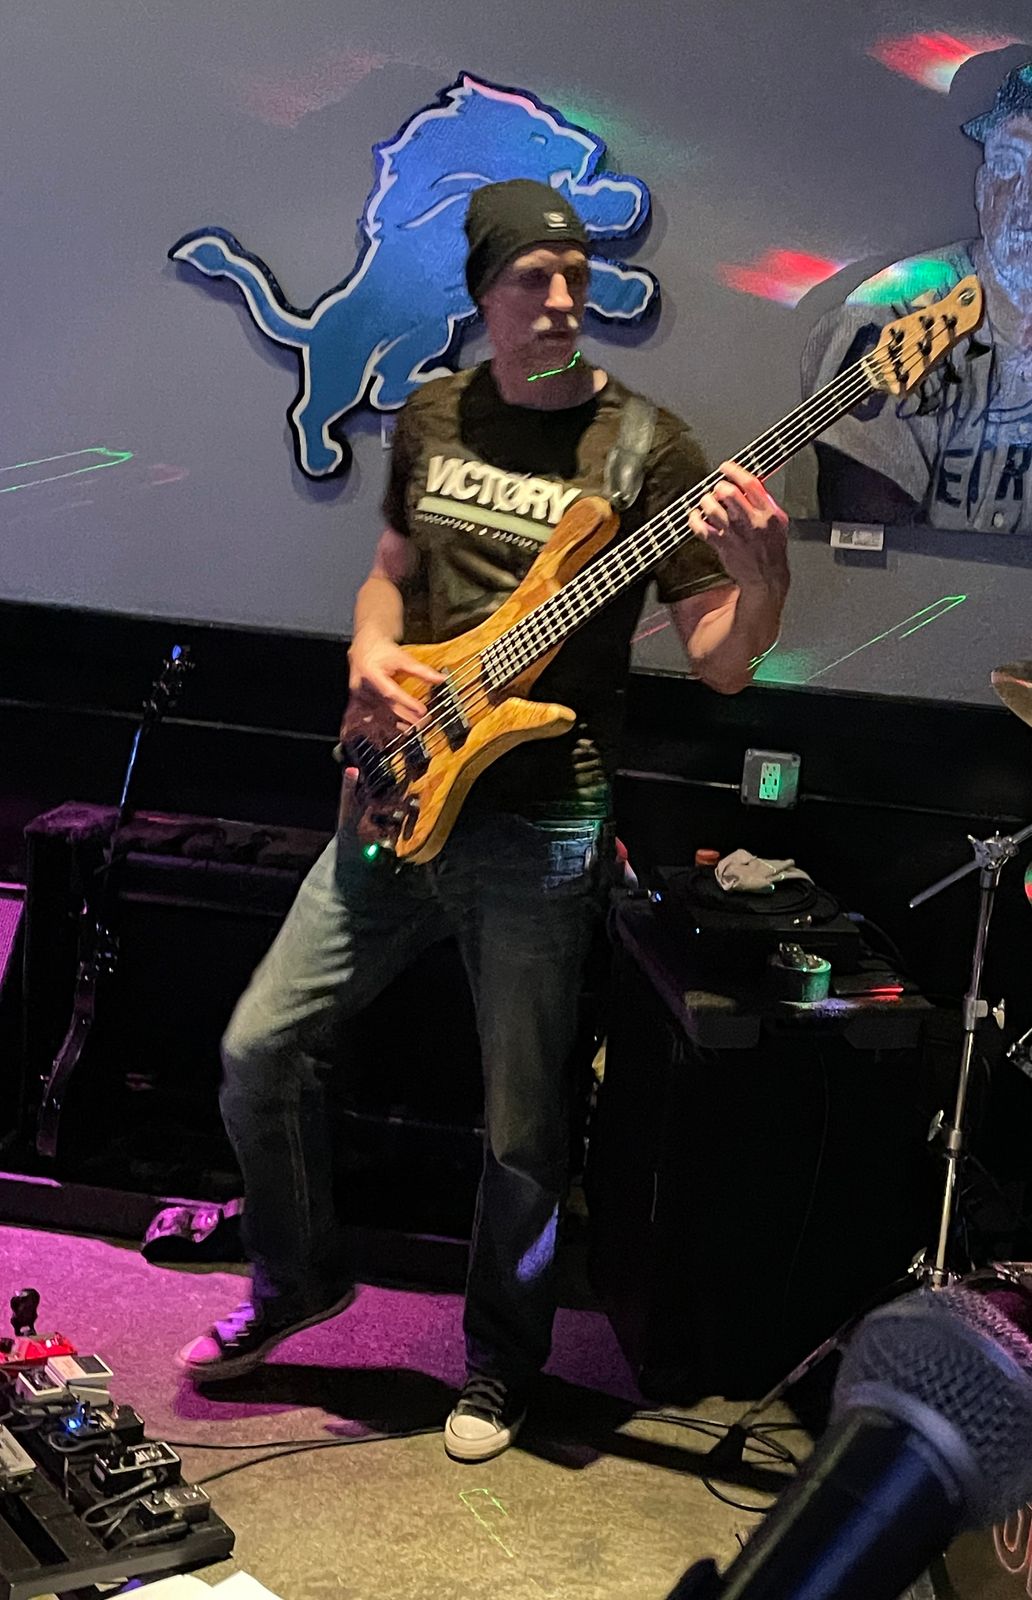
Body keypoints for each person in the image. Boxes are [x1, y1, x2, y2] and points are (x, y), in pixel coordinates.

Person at [176, 178, 790, 1462]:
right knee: (257, 1048)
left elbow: (723, 660)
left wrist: (765, 578)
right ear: (483, 293)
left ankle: (502, 1363)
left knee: (523, 1126)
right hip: (396, 791)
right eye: (532, 277)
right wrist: (367, 650)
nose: (562, 299)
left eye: (576, 275)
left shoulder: (648, 450)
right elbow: (390, 576)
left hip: (539, 828)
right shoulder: (434, 413)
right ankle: (295, 1276)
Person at [799, 57, 1032, 533]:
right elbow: (869, 548)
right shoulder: (888, 312)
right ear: (983, 189)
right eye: (1009, 166)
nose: (1025, 198)